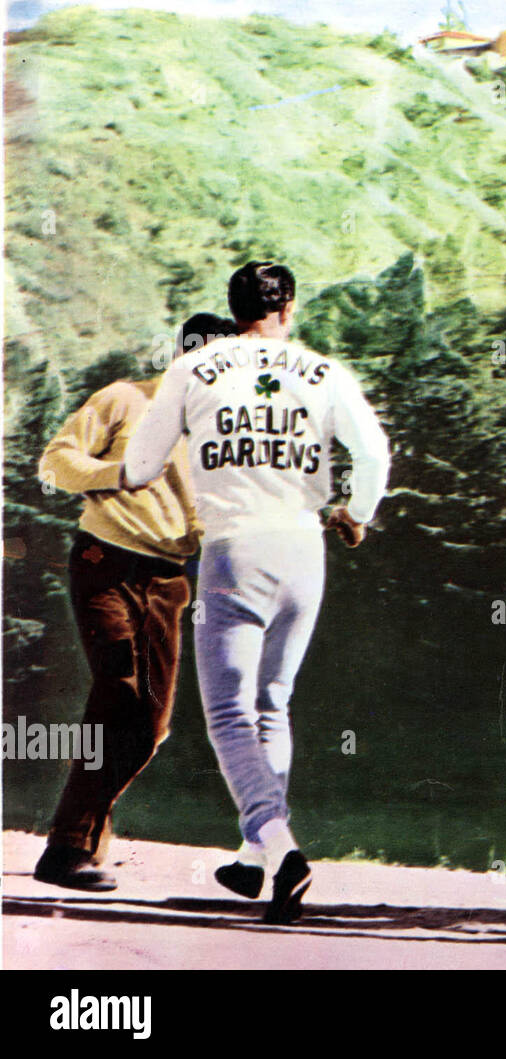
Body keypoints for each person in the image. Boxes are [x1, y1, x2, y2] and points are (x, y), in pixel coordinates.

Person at [124, 263, 390, 923]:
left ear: (233, 307)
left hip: (232, 552)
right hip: (305, 548)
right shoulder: (324, 371)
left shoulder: (196, 368)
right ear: (288, 309)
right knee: (273, 703)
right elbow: (376, 452)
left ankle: (281, 842)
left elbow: (138, 465)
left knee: (227, 715)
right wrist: (355, 510)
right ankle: (254, 858)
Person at [32, 314, 234, 891]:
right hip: (105, 561)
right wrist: (116, 473)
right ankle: (69, 847)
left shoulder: (222, 439)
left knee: (151, 723)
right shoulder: (124, 399)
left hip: (169, 580)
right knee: (118, 688)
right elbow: (56, 459)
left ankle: (82, 834)